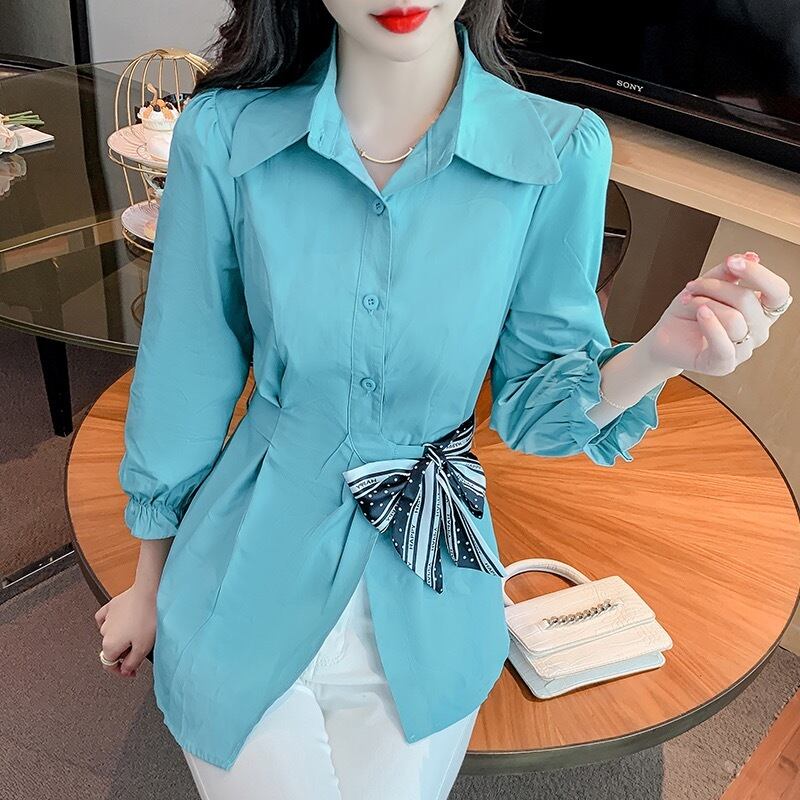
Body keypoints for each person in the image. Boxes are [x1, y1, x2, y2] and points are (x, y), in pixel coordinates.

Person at [93, 1, 793, 798]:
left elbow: (535, 407)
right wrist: (148, 583)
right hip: (243, 570)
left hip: (432, 590)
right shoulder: (225, 135)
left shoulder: (556, 150)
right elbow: (186, 366)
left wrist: (660, 355)